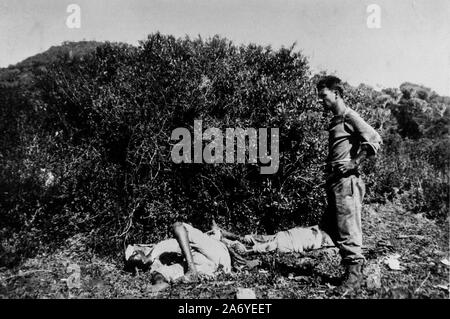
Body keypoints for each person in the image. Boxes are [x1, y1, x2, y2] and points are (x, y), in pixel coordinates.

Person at [316, 75, 382, 291]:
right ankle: (353, 271)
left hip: (347, 182)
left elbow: (374, 138)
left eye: (324, 96)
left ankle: (353, 278)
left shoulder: (349, 116)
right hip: (336, 181)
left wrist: (355, 162)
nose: (320, 100)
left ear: (336, 94)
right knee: (333, 227)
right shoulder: (336, 119)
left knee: (348, 227)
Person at [125, 221, 335, 288]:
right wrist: (154, 283)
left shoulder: (160, 246)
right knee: (266, 246)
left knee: (271, 242)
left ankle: (321, 237)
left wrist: (229, 237)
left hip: (219, 251)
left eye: (134, 258)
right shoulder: (156, 265)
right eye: (133, 265)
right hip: (218, 265)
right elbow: (160, 281)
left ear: (139, 249)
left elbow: (178, 227)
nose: (137, 264)